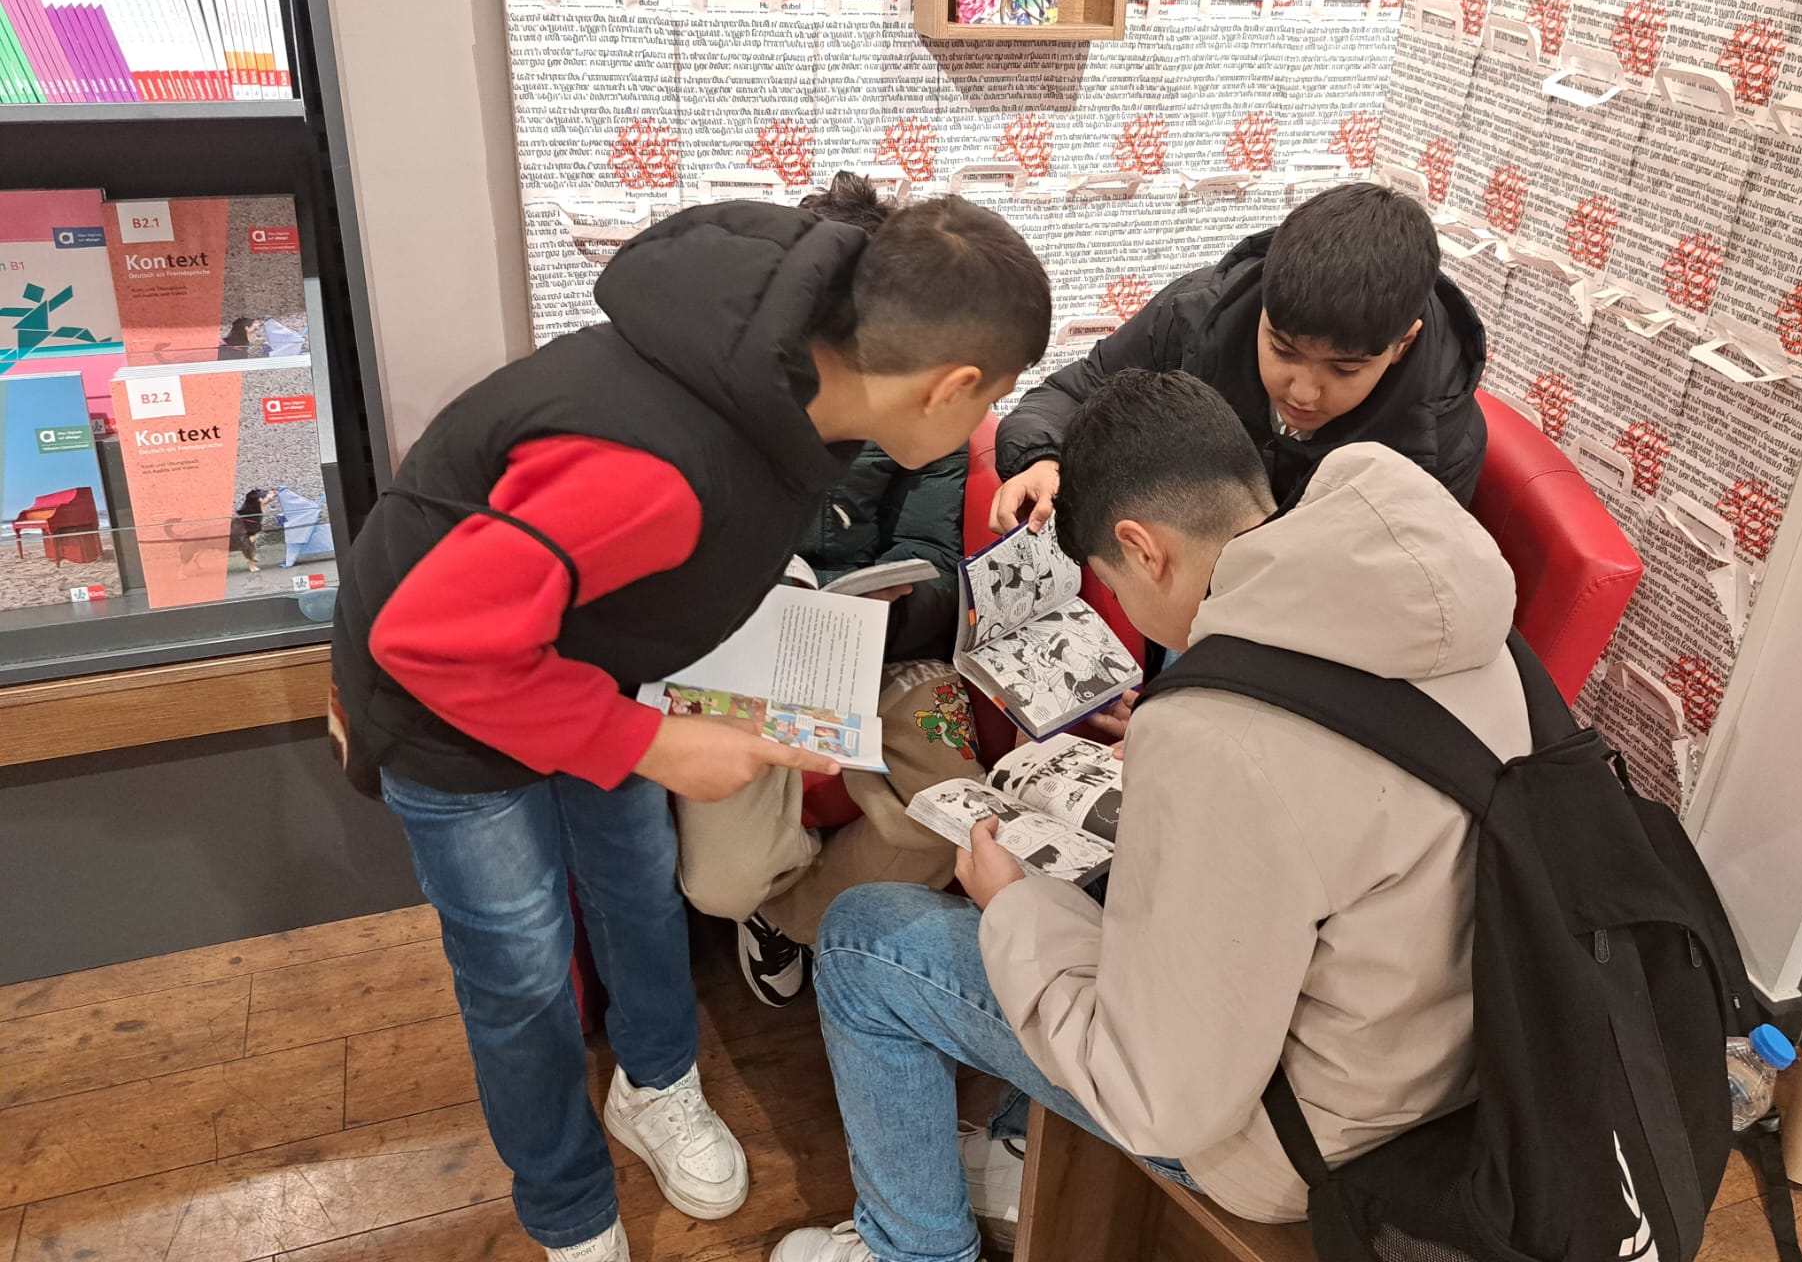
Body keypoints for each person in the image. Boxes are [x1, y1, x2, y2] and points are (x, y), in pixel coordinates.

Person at [329, 195, 1050, 1262]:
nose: (988, 418)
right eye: (996, 396)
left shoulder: (788, 362)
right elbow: (429, 645)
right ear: (951, 387)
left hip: (593, 658)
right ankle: (569, 1208)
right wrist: (653, 744)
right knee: (518, 968)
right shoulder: (657, 461)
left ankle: (656, 1080)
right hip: (447, 704)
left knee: (634, 884)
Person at [773, 370, 1530, 1262]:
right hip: (1457, 1071)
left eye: (1106, 582)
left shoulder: (1218, 735)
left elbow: (1159, 1098)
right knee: (1093, 868)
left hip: (1298, 1145)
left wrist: (1010, 906)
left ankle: (913, 1248)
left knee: (864, 940)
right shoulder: (1438, 606)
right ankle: (1016, 1153)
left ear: (1142, 548)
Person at [677, 175, 992, 1010]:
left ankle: (794, 917)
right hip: (748, 660)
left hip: (886, 652)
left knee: (956, 823)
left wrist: (888, 608)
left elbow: (932, 556)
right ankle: (775, 906)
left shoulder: (926, 399)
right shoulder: (724, 395)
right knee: (721, 882)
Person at [989, 182, 1488, 536]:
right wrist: (1042, 460)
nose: (1303, 392)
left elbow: (1398, 587)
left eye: (1344, 369)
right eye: (1283, 350)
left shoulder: (1440, 438)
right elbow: (1069, 395)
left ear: (1403, 344)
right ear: (1264, 304)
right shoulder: (1194, 319)